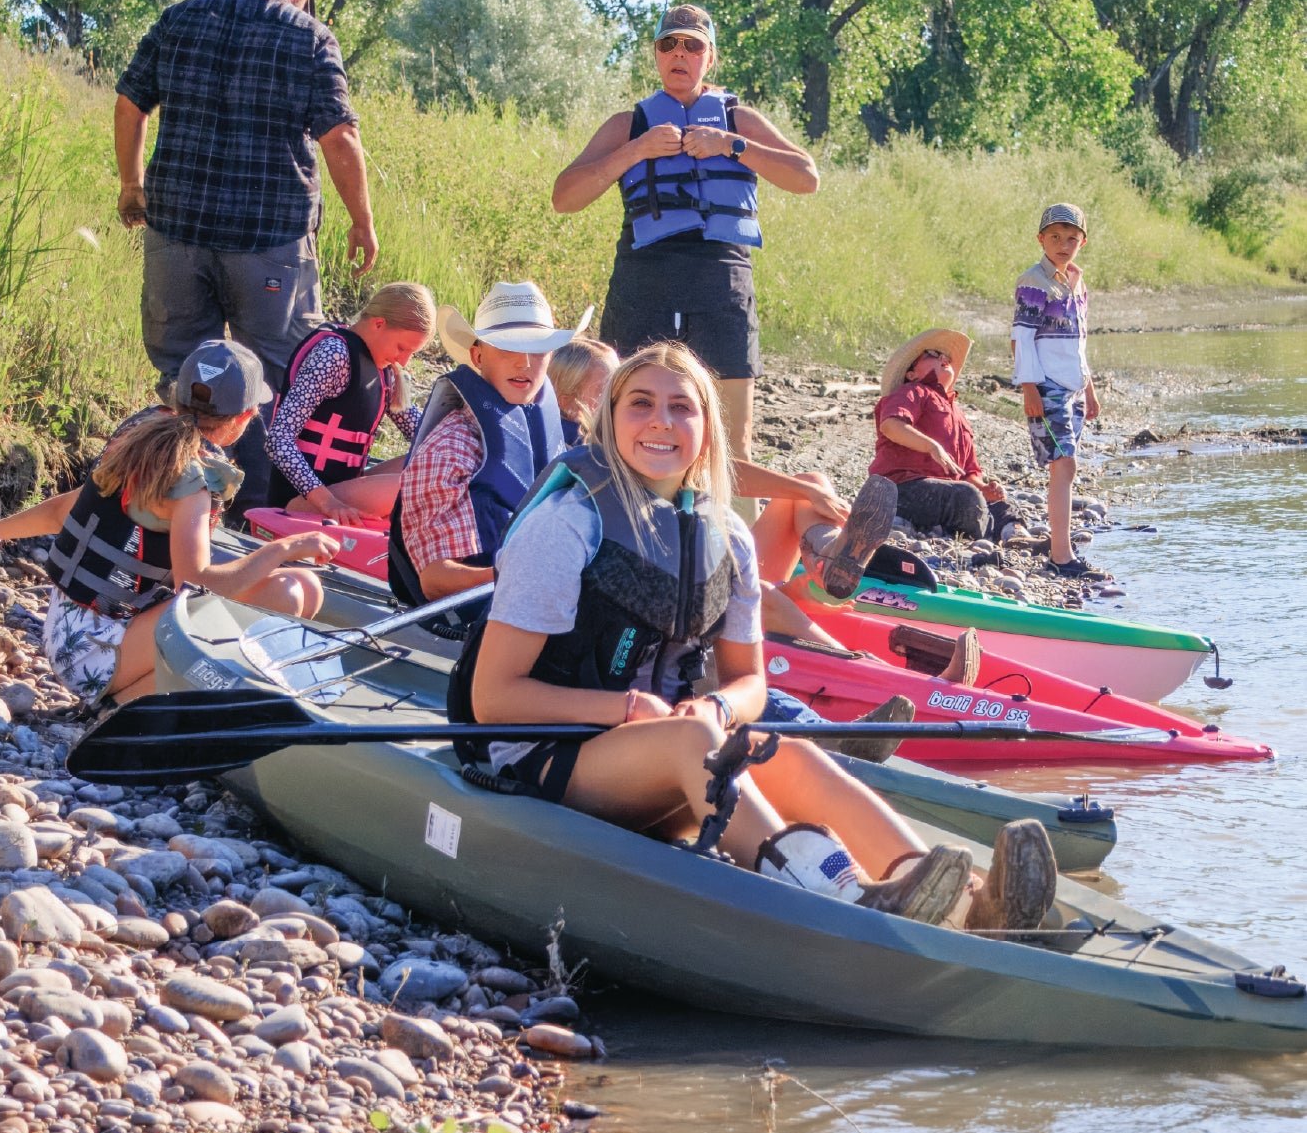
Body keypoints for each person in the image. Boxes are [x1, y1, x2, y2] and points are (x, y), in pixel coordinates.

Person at [454, 341, 1057, 931]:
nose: (661, 421)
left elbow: (750, 682)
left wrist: (718, 703)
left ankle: (964, 899)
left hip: (668, 749)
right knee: (696, 741)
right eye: (640, 403)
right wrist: (631, 708)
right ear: (609, 423)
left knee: (785, 751)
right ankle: (842, 898)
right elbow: (495, 700)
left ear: (707, 430)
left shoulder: (729, 538)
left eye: (681, 407)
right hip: (541, 754)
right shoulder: (566, 526)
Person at [113, 0, 379, 509]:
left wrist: (132, 185)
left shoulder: (180, 18)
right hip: (270, 240)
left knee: (185, 375)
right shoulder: (309, 37)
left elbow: (131, 103)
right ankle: (256, 512)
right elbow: (341, 136)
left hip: (176, 228)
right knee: (277, 380)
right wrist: (362, 221)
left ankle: (176, 505)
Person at [0, 342, 339, 708]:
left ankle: (157, 695)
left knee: (304, 587)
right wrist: (284, 548)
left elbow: (61, 512)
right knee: (290, 590)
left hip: (68, 635)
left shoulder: (142, 438)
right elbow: (195, 583)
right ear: (244, 418)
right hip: (98, 657)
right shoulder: (192, 477)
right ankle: (135, 701)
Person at [551, 2, 818, 469]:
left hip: (723, 286)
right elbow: (565, 197)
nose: (680, 53)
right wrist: (636, 150)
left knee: (733, 442)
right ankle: (628, 532)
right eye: (668, 44)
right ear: (655, 55)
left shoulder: (739, 119)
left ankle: (728, 542)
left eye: (692, 45)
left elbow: (806, 176)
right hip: (643, 286)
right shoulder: (627, 125)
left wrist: (730, 145)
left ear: (708, 58)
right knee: (627, 433)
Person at [386, 282, 591, 606]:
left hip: (543, 604)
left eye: (537, 350)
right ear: (477, 355)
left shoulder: (553, 437)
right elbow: (435, 581)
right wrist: (520, 572)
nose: (524, 363)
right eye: (507, 348)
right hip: (474, 622)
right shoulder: (450, 447)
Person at [264, 282, 436, 519]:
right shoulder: (334, 354)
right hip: (302, 499)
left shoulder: (384, 370)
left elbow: (424, 435)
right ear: (378, 324)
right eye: (401, 348)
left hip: (341, 490)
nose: (404, 362)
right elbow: (278, 440)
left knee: (434, 462)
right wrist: (328, 503)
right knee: (409, 485)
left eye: (410, 353)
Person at [1013, 204, 1102, 579]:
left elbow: (1078, 343)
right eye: (1055, 237)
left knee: (1066, 466)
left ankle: (1060, 547)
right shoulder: (1034, 282)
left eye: (1071, 238)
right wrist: (1029, 389)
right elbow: (1021, 337)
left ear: (1082, 241)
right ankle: (1061, 555)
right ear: (1041, 239)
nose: (1063, 244)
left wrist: (1091, 389)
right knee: (1063, 465)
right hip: (1047, 387)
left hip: (1073, 386)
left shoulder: (1077, 281)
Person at [869, 329, 1013, 541]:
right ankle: (988, 533)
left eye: (945, 356)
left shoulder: (959, 415)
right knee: (966, 497)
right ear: (911, 373)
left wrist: (985, 488)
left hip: (943, 491)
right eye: (932, 354)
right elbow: (890, 425)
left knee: (1001, 501)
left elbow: (967, 472)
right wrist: (931, 447)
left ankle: (1014, 535)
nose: (944, 359)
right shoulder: (912, 391)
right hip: (899, 488)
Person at [547, 338, 620, 445]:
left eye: (618, 388)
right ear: (567, 403)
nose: (616, 398)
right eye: (603, 393)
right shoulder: (581, 452)